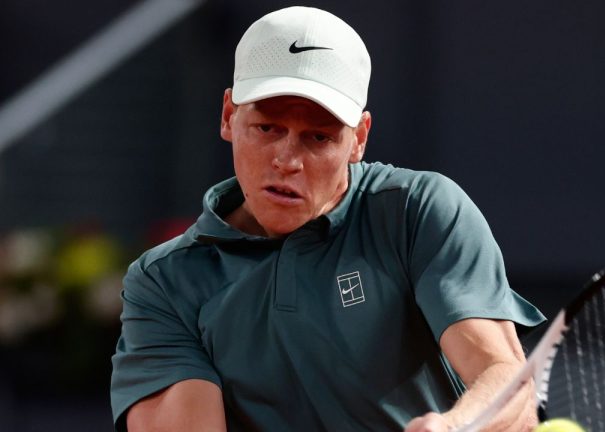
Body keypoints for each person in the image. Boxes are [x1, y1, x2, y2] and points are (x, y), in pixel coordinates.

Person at [110, 6, 545, 432]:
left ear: (358, 140)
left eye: (317, 137)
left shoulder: (417, 209)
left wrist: (453, 429)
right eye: (267, 128)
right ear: (228, 115)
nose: (287, 160)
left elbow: (506, 380)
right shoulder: (164, 283)